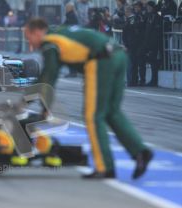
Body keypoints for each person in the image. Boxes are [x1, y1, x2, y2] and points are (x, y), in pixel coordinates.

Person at [24, 18, 153, 179]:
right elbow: (47, 77)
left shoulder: (50, 42)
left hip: (100, 62)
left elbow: (49, 76)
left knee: (93, 116)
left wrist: (36, 105)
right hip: (118, 55)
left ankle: (104, 167)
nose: (30, 44)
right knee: (112, 112)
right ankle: (140, 152)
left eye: (29, 38)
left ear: (37, 32)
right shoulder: (62, 31)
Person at [122, 5, 143, 86]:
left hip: (131, 44)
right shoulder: (131, 19)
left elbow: (129, 32)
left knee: (131, 63)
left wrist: (126, 44)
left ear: (128, 11)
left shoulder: (132, 20)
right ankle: (133, 80)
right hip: (133, 44)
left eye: (125, 11)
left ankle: (131, 81)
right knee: (133, 63)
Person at [144, 1, 163, 87]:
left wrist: (152, 44)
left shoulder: (157, 17)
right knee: (151, 62)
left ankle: (154, 80)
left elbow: (156, 32)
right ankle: (153, 79)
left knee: (154, 62)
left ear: (152, 7)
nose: (148, 8)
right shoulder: (149, 16)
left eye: (149, 7)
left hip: (155, 43)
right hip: (149, 43)